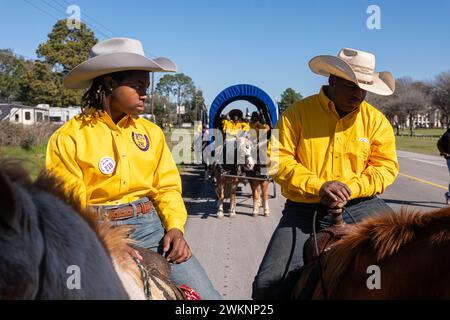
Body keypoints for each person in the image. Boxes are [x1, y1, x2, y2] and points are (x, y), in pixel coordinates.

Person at [45, 38, 221, 300]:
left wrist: (175, 228)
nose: (145, 94)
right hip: (95, 231)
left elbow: (167, 187)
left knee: (209, 297)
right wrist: (105, 242)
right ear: (109, 82)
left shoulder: (152, 133)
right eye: (138, 85)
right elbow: (67, 204)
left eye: (146, 87)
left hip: (150, 228)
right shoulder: (69, 137)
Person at [252, 48, 399, 299]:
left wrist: (351, 188)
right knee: (267, 284)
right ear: (332, 79)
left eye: (364, 87)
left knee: (404, 260)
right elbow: (277, 162)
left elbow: (385, 167)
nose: (358, 94)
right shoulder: (294, 115)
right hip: (305, 208)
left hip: (361, 204)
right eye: (351, 85)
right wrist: (318, 186)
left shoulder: (376, 121)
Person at [437, 128, 450, 204]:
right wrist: (444, 153)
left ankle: (448, 194)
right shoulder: (447, 134)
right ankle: (449, 195)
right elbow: (439, 144)